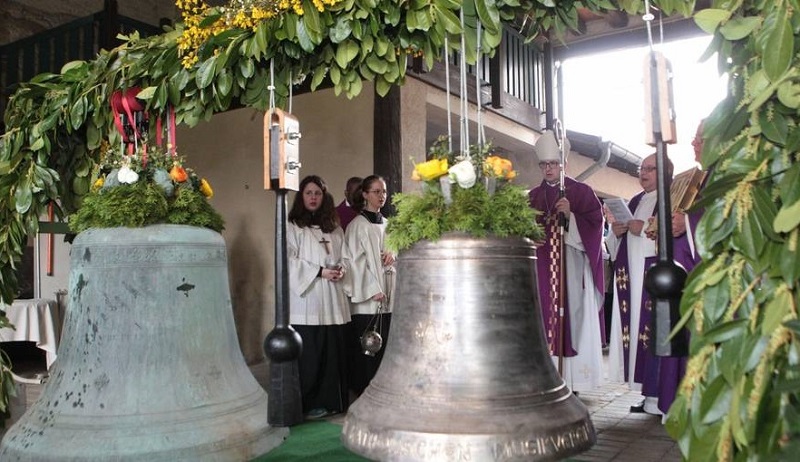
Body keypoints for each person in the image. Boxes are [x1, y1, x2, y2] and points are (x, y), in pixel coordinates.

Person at [528, 130, 606, 393]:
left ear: (564, 164)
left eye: (553, 164)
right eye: (544, 164)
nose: (548, 168)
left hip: (569, 267)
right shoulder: (532, 197)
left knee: (570, 315)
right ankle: (544, 379)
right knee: (541, 318)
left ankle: (572, 380)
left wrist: (571, 217)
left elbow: (596, 225)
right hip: (539, 270)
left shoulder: (581, 191)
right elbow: (521, 230)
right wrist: (530, 238)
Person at [606, 152, 675, 416]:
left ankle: (658, 395)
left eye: (649, 168)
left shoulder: (671, 198)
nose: (642, 173)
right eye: (641, 168)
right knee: (636, 332)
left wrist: (642, 228)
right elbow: (616, 248)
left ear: (664, 171)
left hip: (651, 279)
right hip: (631, 279)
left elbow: (673, 238)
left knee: (653, 332)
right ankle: (648, 394)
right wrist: (617, 233)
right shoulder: (635, 200)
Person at [287, 175, 351, 419]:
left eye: (317, 193)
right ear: (301, 196)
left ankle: (332, 401)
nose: (313, 197)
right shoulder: (293, 226)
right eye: (308, 193)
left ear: (324, 197)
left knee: (331, 353)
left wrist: (343, 269)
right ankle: (309, 403)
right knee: (311, 355)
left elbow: (346, 256)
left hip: (333, 299)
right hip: (308, 300)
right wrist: (320, 272)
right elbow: (289, 260)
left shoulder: (334, 228)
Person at [342, 175, 396, 397]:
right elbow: (354, 262)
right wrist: (372, 289)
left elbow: (395, 252)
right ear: (364, 194)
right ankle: (365, 390)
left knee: (386, 345)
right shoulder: (357, 226)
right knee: (368, 345)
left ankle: (384, 388)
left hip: (389, 293)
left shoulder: (389, 225)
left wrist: (394, 254)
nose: (381, 196)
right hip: (369, 298)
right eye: (376, 191)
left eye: (383, 191)